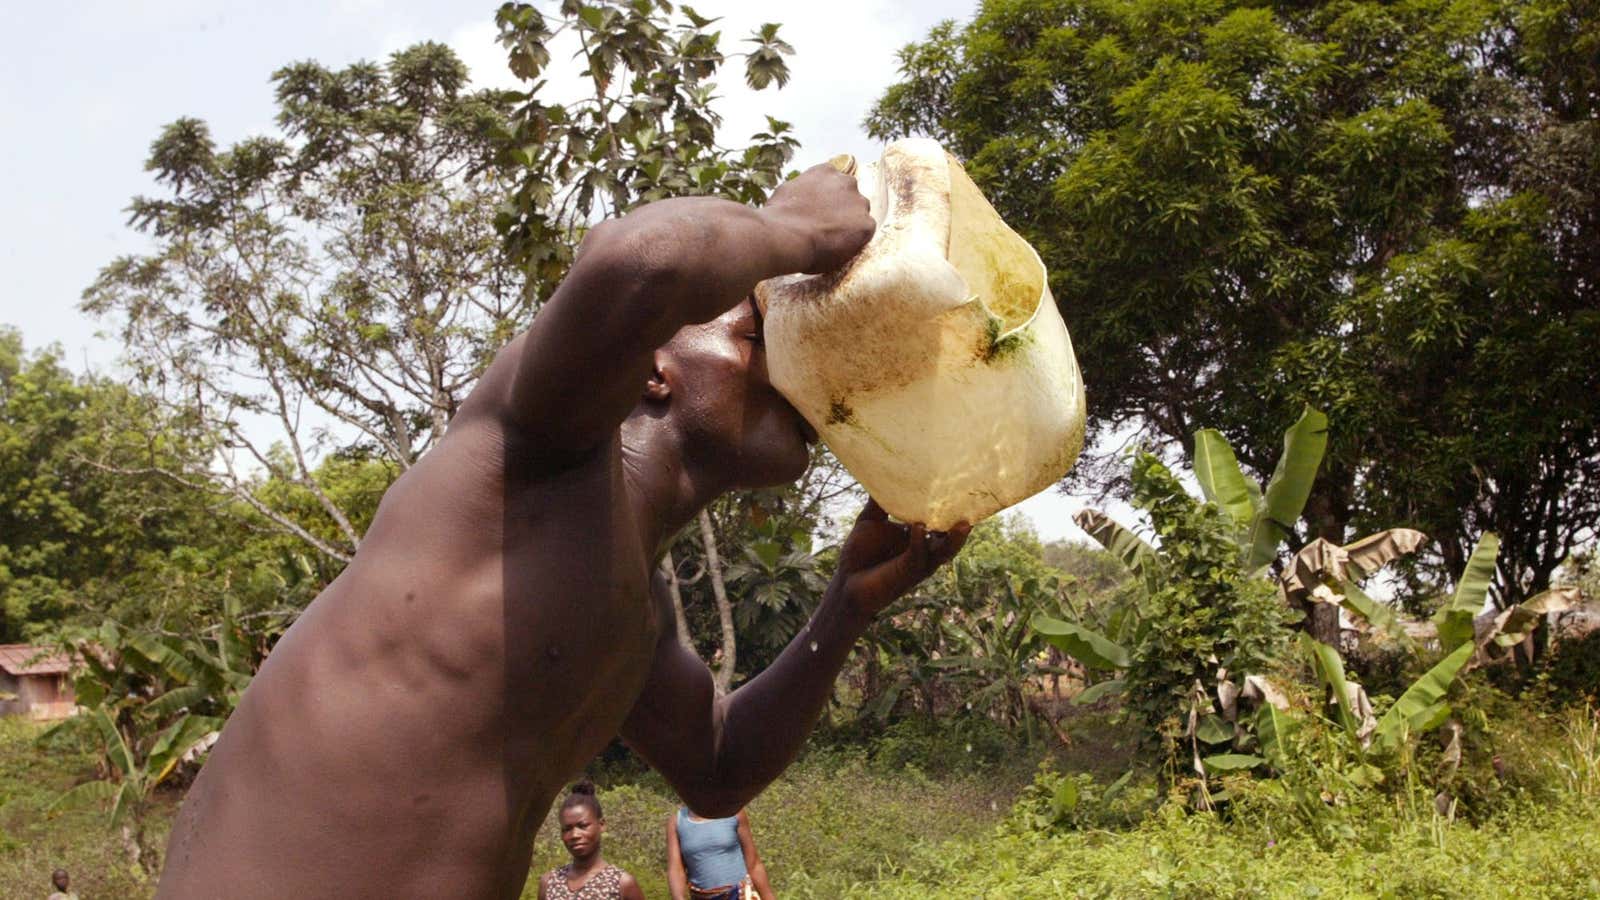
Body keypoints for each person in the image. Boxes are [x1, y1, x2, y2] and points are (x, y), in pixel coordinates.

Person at [156, 162, 969, 900]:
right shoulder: (539, 453)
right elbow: (637, 260)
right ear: (650, 370)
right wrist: (795, 229)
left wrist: (848, 604)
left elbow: (717, 770)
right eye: (759, 335)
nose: (798, 372)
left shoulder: (638, 609)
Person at [537, 782, 644, 900]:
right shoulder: (549, 882)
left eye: (583, 826)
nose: (574, 835)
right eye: (567, 829)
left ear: (601, 825)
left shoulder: (622, 884)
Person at [666, 806, 774, 900]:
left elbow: (753, 864)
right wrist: (679, 897)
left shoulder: (734, 813)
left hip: (740, 895)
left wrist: (768, 897)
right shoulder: (678, 822)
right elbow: (676, 869)